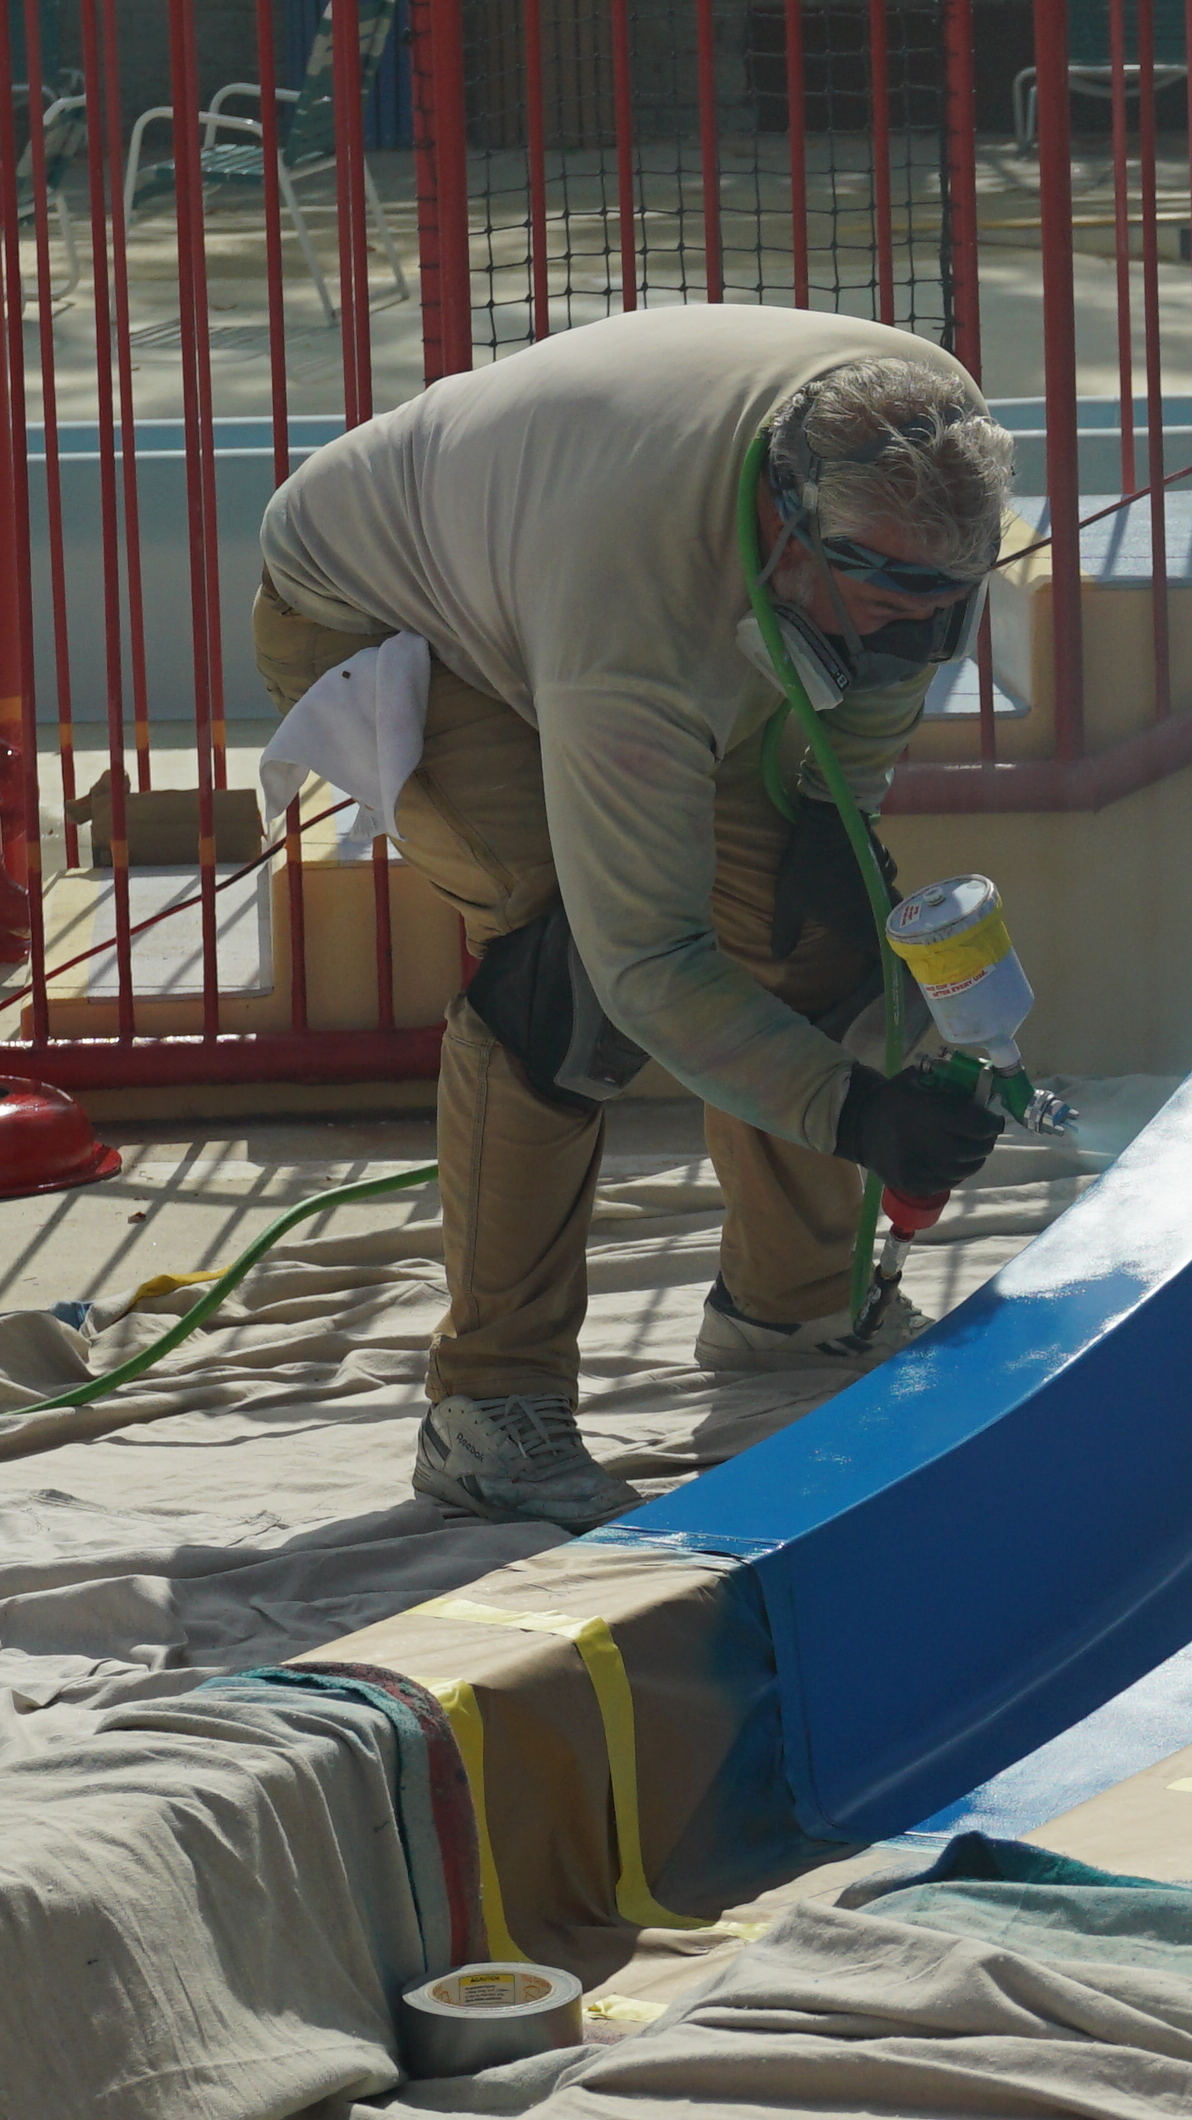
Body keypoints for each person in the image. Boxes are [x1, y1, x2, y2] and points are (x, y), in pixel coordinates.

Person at [249, 307, 1028, 1522]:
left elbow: (845, 746)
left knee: (814, 918)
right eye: (894, 597)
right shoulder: (635, 618)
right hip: (386, 604)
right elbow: (644, 963)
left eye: (953, 600)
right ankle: (486, 1404)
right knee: (554, 975)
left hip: (566, 546)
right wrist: (852, 1108)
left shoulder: (928, 444)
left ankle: (796, 1308)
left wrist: (834, 858)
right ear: (788, 530)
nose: (925, 637)